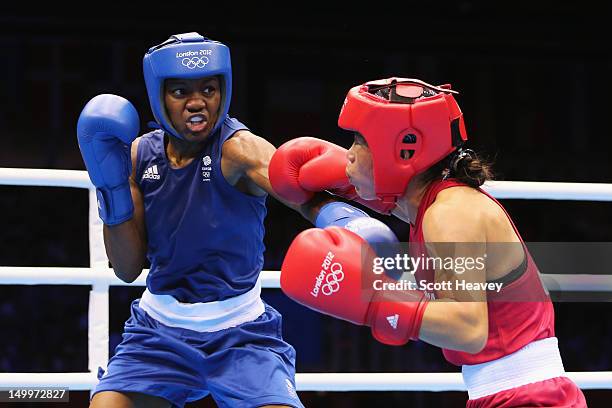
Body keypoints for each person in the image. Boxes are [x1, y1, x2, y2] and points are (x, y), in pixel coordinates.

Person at [75, 31, 363, 408]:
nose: (198, 103)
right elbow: (127, 269)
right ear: (159, 96)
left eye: (209, 90)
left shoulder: (238, 150)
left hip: (241, 336)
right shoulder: (137, 156)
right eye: (181, 92)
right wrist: (110, 188)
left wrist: (345, 220)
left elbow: (297, 190)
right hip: (158, 335)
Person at [270, 77, 587, 407]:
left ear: (402, 150)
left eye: (359, 142)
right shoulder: (431, 207)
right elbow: (394, 202)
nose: (349, 155)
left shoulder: (450, 215)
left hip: (529, 397)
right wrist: (341, 182)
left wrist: (376, 300)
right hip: (509, 393)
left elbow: (468, 328)